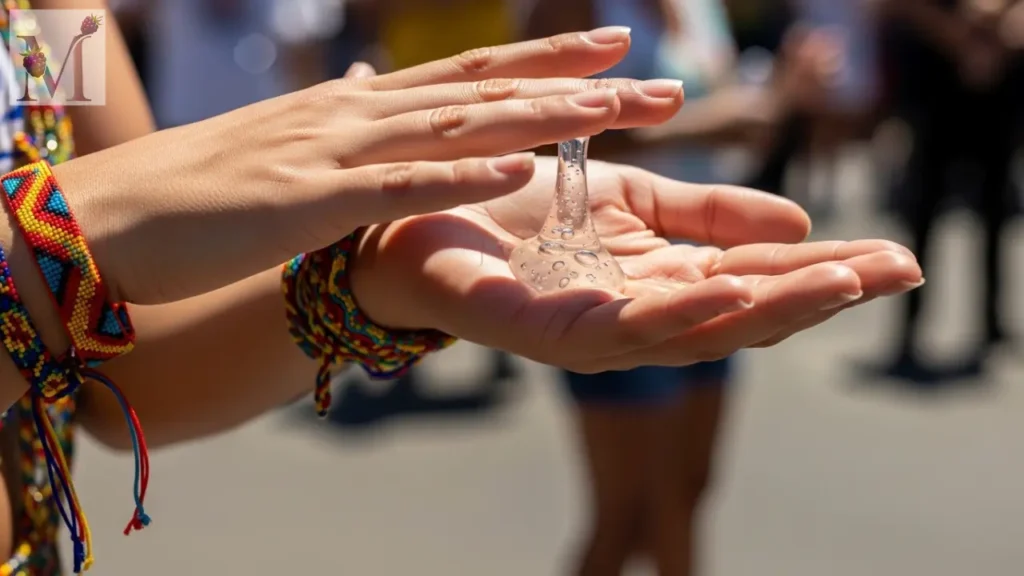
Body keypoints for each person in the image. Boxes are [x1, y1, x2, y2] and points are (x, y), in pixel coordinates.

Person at [0, 10, 922, 575]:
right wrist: (69, 227)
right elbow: (90, 255)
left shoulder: (41, 16)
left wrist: (373, 276)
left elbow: (126, 380)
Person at [523, 2, 866, 576]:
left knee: (686, 494)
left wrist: (783, 93)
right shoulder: (573, 5)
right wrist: (707, 124)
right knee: (627, 514)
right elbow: (540, 144)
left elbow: (731, 124)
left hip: (701, 266)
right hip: (613, 279)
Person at [872, 0, 1022, 383]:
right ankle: (909, 329)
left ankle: (992, 324)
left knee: (995, 212)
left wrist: (997, 23)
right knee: (923, 213)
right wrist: (958, 37)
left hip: (998, 82)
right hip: (936, 82)